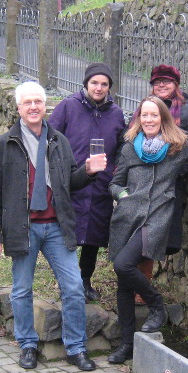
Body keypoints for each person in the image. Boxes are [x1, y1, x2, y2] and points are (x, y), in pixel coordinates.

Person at [0, 81, 107, 371]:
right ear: (18, 108)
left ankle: (76, 347)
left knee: (74, 287)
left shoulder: (59, 141)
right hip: (22, 228)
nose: (33, 107)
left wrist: (87, 172)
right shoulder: (5, 144)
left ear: (45, 106)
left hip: (56, 227)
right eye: (27, 103)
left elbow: (68, 184)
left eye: (38, 102)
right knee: (22, 289)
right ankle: (27, 344)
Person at [106, 96, 188, 364]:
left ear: (163, 118)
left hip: (156, 217)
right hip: (127, 216)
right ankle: (126, 344)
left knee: (123, 265)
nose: (149, 120)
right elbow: (115, 182)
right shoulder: (130, 147)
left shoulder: (178, 147)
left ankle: (156, 305)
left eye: (154, 115)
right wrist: (123, 194)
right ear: (139, 119)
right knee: (123, 283)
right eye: (144, 115)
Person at [48, 63, 126, 302]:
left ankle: (84, 280)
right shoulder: (68, 106)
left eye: (104, 84)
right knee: (68, 234)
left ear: (110, 87)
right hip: (72, 181)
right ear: (86, 84)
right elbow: (50, 136)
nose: (99, 88)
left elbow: (122, 145)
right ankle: (67, 282)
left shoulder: (116, 113)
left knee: (93, 236)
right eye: (94, 83)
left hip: (101, 183)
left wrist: (115, 171)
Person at [134, 64, 188, 302]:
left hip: (169, 186)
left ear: (176, 84)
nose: (161, 85)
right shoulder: (146, 110)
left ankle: (143, 290)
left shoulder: (187, 112)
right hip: (142, 184)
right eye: (157, 82)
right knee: (139, 233)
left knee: (154, 236)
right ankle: (137, 287)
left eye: (166, 81)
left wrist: (175, 171)